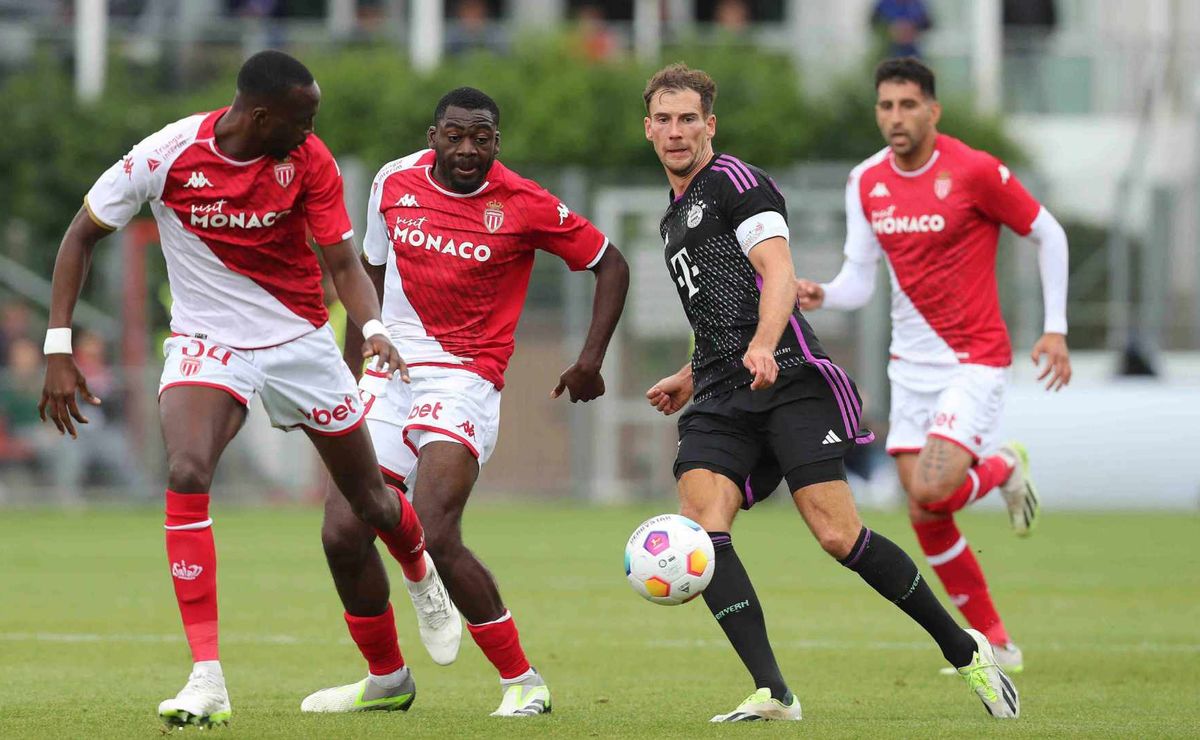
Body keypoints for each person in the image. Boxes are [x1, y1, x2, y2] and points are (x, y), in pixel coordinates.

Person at [38, 50, 437, 728]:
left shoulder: (309, 160)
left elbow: (342, 261)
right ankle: (206, 678)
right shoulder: (168, 153)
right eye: (302, 117)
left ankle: (422, 572)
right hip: (207, 343)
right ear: (260, 116)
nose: (312, 129)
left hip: (300, 344)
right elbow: (81, 235)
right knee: (188, 468)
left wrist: (371, 327)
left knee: (369, 499)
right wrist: (58, 346)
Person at [642, 63, 1019, 722]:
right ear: (648, 128)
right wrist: (689, 371)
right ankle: (774, 692)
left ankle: (967, 651)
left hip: (786, 377)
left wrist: (763, 345)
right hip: (722, 392)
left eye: (688, 119)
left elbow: (778, 274)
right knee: (703, 529)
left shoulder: (737, 182)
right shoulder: (672, 219)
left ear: (710, 125)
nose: (676, 132)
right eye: (664, 120)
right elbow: (715, 313)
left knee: (837, 535)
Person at [301, 86, 629, 717]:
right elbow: (365, 274)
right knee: (342, 531)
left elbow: (610, 264)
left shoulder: (524, 202)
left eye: (481, 137)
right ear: (434, 137)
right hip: (389, 371)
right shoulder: (393, 182)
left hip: (465, 378)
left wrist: (590, 359)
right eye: (455, 135)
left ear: (496, 142)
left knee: (438, 528)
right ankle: (387, 679)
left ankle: (524, 682)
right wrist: (348, 373)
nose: (467, 149)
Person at [796, 57, 1071, 675]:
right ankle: (996, 642)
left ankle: (1001, 466)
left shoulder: (972, 170)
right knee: (924, 511)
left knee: (933, 488)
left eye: (908, 105)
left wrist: (1054, 328)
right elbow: (859, 282)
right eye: (886, 106)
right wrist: (824, 294)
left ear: (932, 110)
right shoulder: (865, 181)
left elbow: (1048, 234)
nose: (896, 117)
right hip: (909, 366)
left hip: (974, 357)